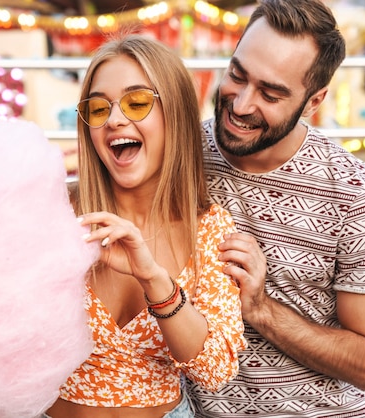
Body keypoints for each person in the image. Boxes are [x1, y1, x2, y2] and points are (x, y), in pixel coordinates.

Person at [186, 0, 365, 416]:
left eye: (270, 93)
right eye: (237, 75)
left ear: (313, 101)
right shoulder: (181, 154)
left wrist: (261, 309)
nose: (242, 105)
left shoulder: (355, 189)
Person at [45, 35, 248, 418]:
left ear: (175, 114)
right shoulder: (54, 209)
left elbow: (215, 370)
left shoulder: (206, 227)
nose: (116, 119)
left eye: (137, 103)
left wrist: (154, 279)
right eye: (98, 108)